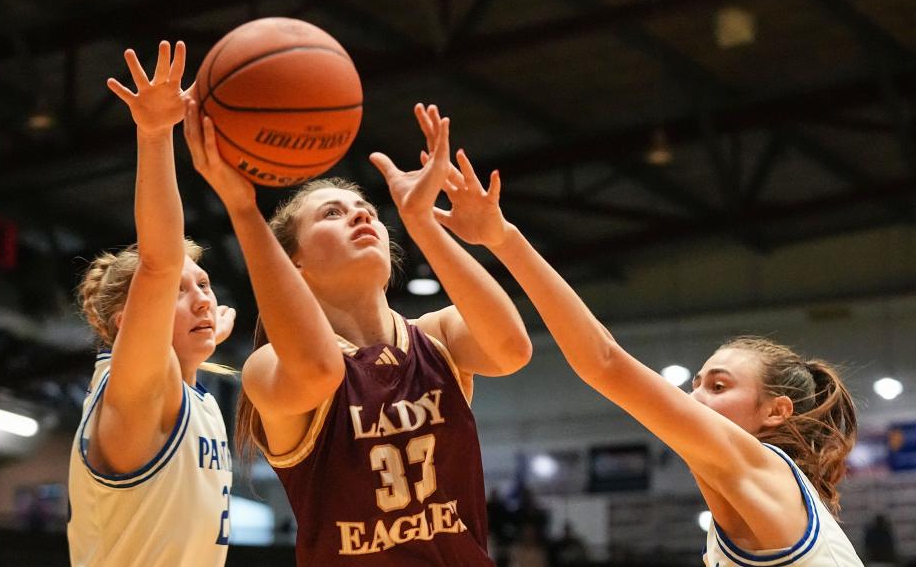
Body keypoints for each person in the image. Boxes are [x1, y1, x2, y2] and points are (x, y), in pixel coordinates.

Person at [418, 127, 864, 566]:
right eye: (698, 384)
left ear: (775, 411)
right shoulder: (741, 508)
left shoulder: (764, 467)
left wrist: (504, 239)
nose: (695, 397)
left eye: (719, 386)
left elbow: (604, 361)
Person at [183, 100, 532, 565]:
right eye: (332, 213)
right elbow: (318, 368)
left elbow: (512, 350)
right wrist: (244, 212)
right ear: (295, 265)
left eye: (367, 209)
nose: (362, 216)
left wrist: (422, 222)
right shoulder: (268, 366)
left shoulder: (438, 336)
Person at [68, 41, 235, 567]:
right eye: (178, 293)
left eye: (205, 284)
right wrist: (156, 134)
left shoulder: (192, 395)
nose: (202, 299)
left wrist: (200, 338)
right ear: (128, 321)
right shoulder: (134, 389)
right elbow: (160, 263)